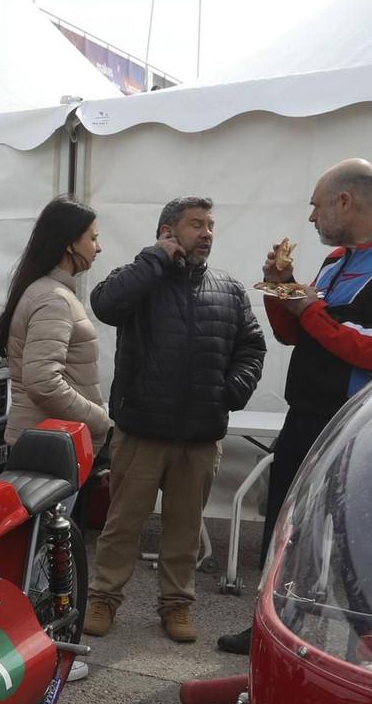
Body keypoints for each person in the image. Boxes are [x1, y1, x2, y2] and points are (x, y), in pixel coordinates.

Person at [216, 160, 372, 654]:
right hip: (305, 414)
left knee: (357, 541)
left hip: (363, 424)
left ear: (346, 201)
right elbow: (293, 333)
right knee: (286, 526)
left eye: (317, 206)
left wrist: (309, 306)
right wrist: (281, 286)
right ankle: (274, 627)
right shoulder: (339, 257)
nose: (312, 218)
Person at [84, 197, 265, 645]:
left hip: (200, 434)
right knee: (122, 524)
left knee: (184, 530)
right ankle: (104, 598)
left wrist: (231, 390)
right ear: (168, 230)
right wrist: (154, 259)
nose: (206, 233)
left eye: (210, 225)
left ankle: (177, 605)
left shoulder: (229, 288)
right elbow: (105, 304)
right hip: (143, 429)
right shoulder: (140, 279)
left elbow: (251, 347)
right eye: (195, 224)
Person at [0, 194, 108, 680]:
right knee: (42, 560)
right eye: (94, 237)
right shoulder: (51, 296)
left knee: (38, 554)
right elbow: (44, 380)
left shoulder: (50, 292)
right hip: (50, 443)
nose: (100, 247)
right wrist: (100, 419)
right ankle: (40, 659)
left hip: (48, 439)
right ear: (70, 245)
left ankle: (32, 655)